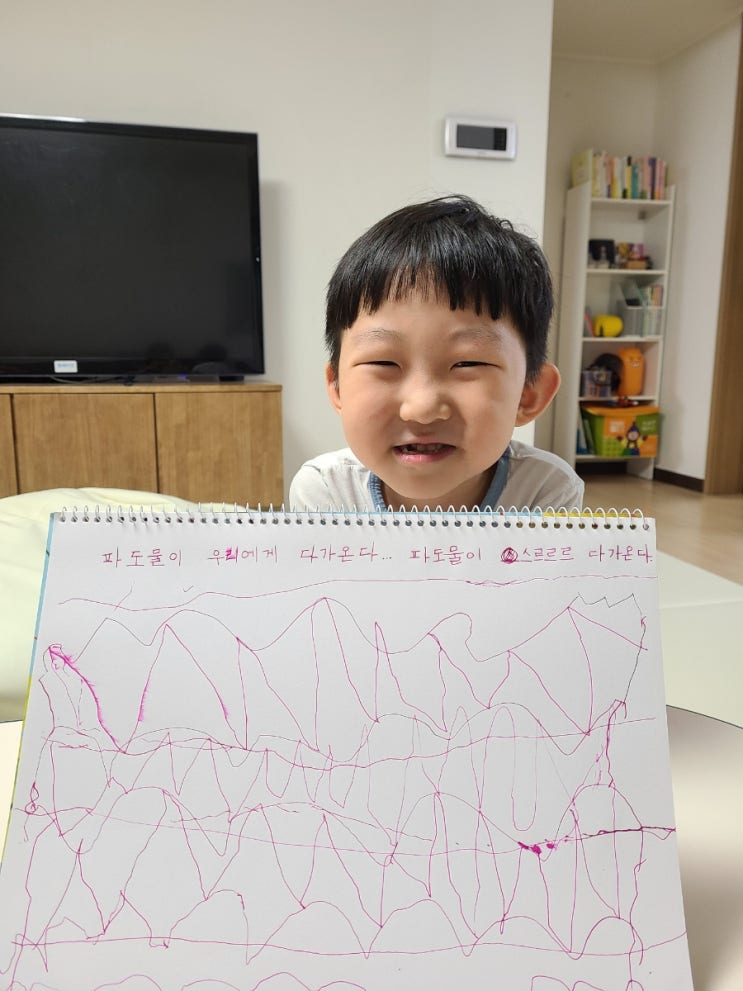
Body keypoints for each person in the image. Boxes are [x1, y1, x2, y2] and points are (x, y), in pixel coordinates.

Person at [289, 194, 583, 512]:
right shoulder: (327, 492)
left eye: (467, 363)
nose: (422, 408)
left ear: (529, 393)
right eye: (383, 362)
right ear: (337, 387)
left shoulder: (544, 492)